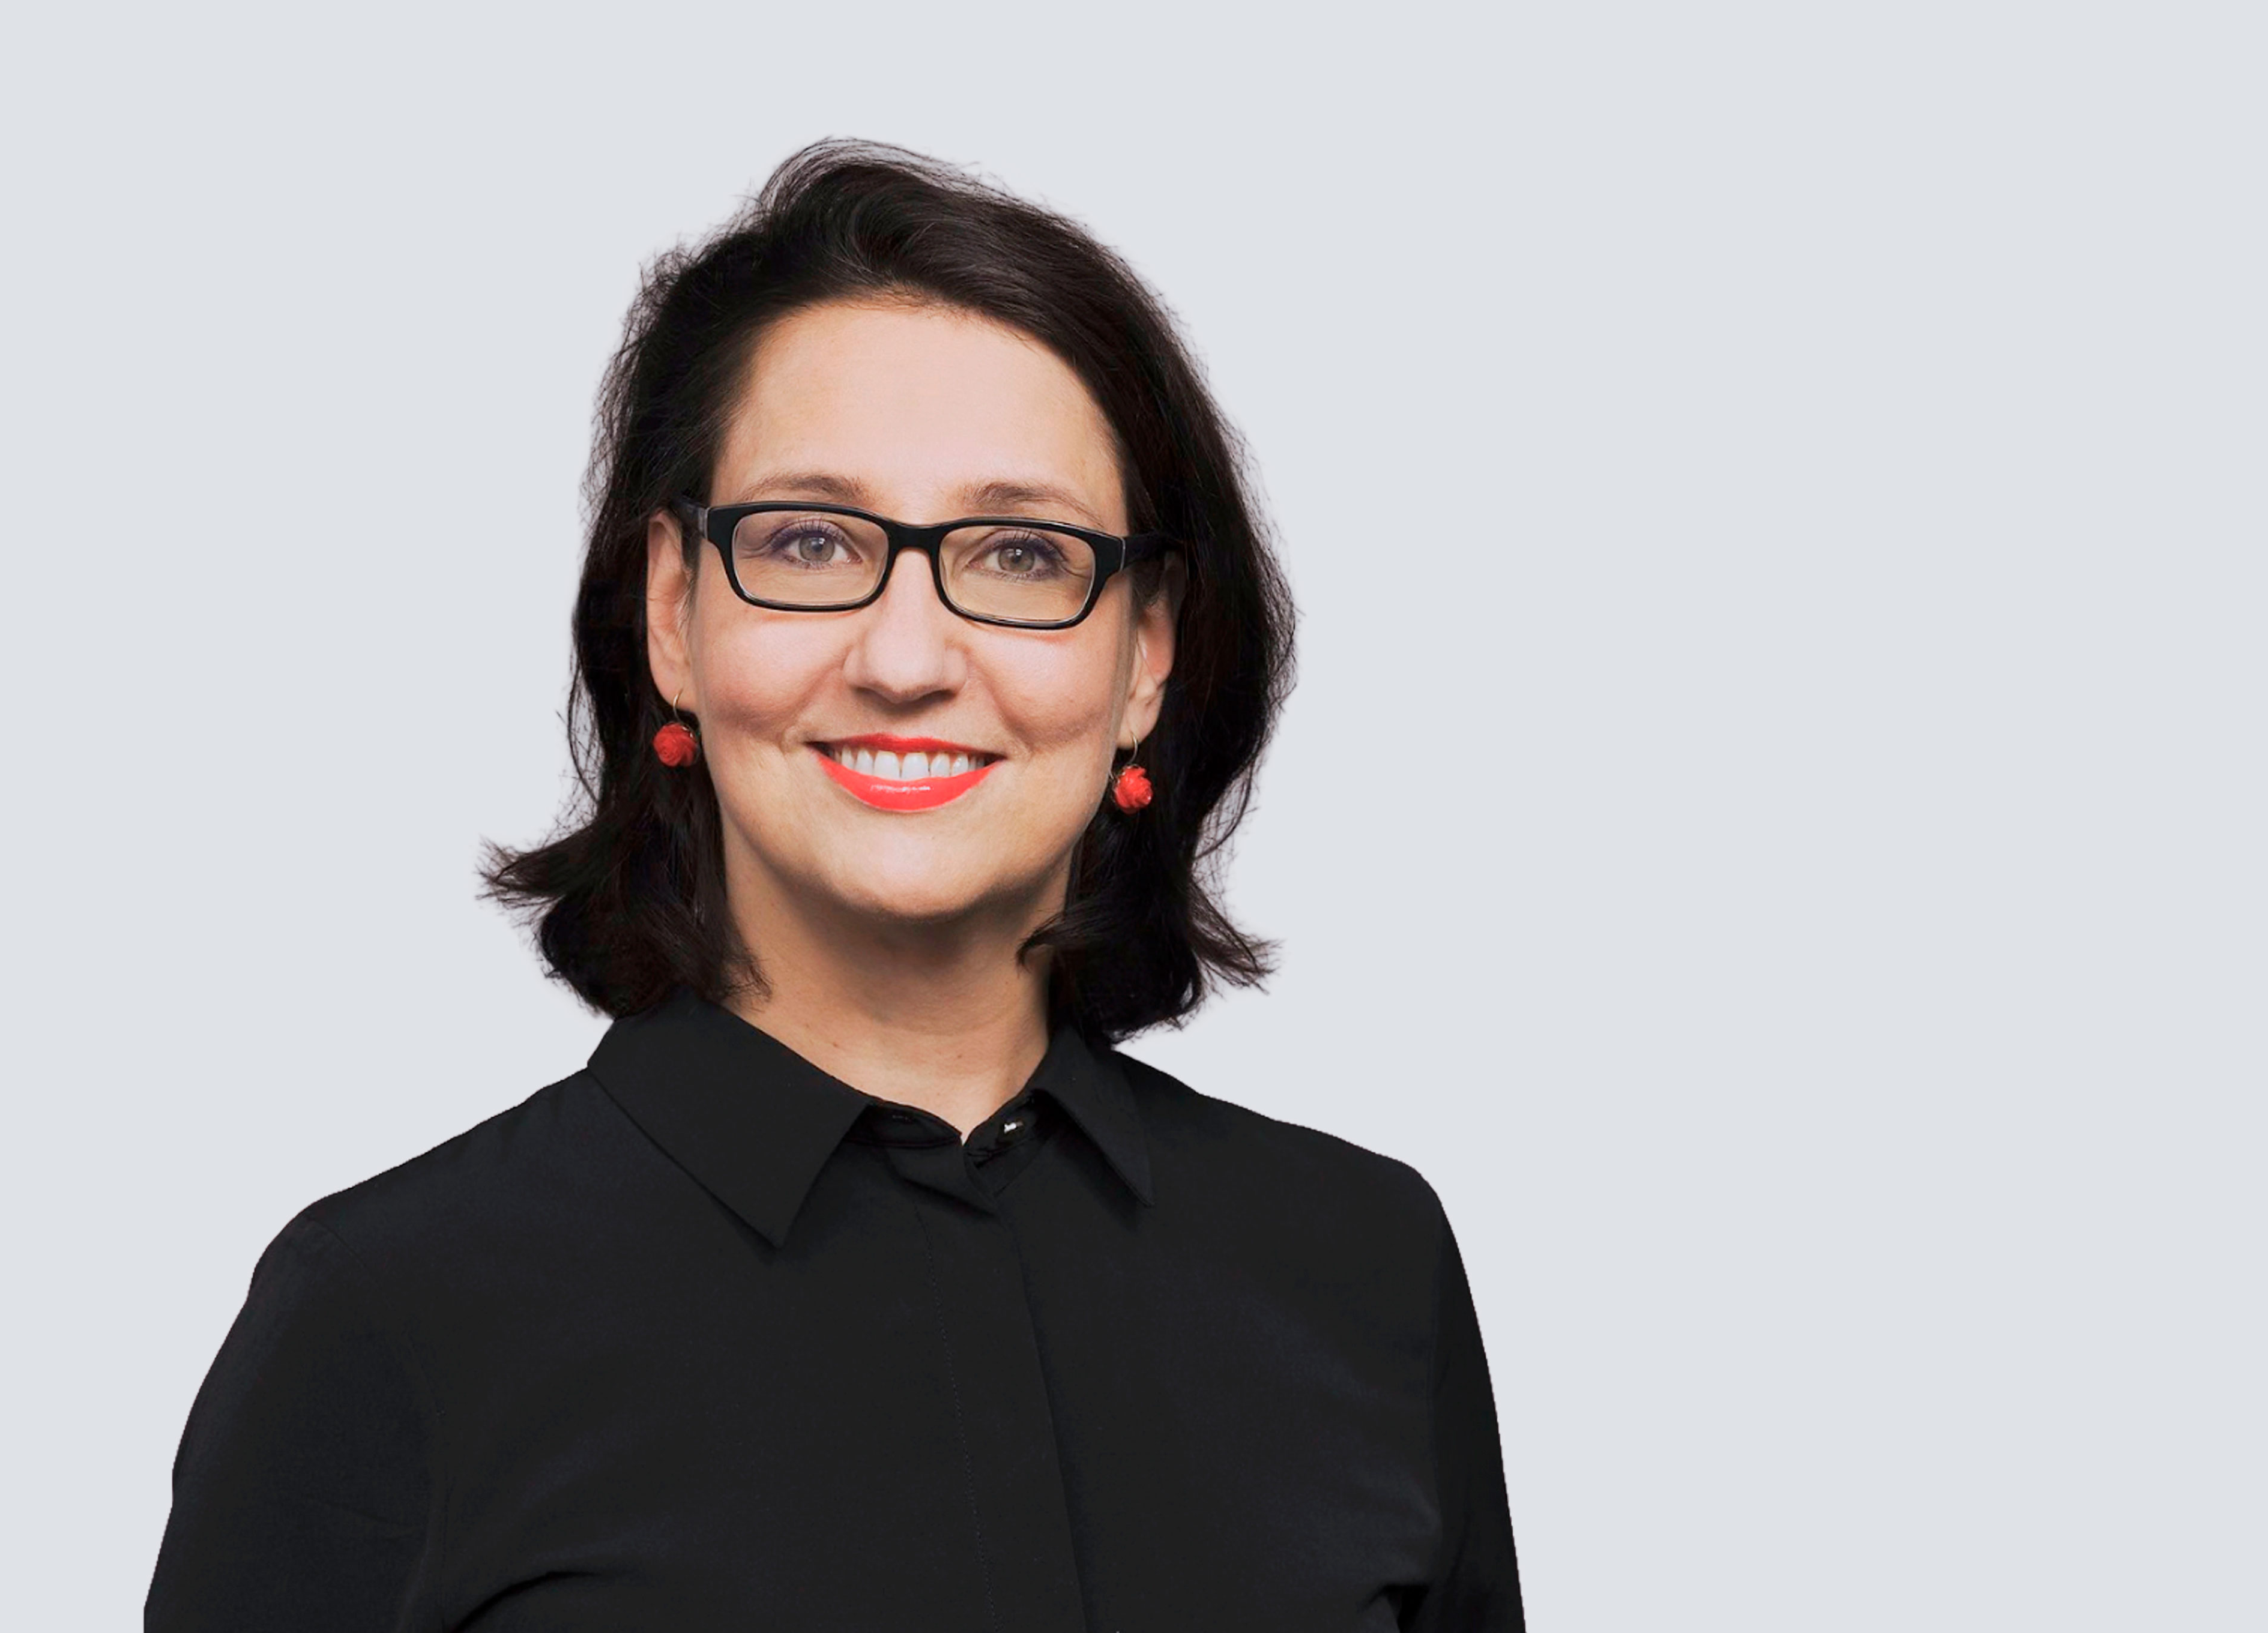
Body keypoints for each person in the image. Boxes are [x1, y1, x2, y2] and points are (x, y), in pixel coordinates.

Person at [147, 140, 1524, 1632]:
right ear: (671, 611)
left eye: (1019, 552)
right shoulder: (392, 1311)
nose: (905, 657)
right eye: (809, 541)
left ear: (1145, 652)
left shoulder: (1362, 1265)